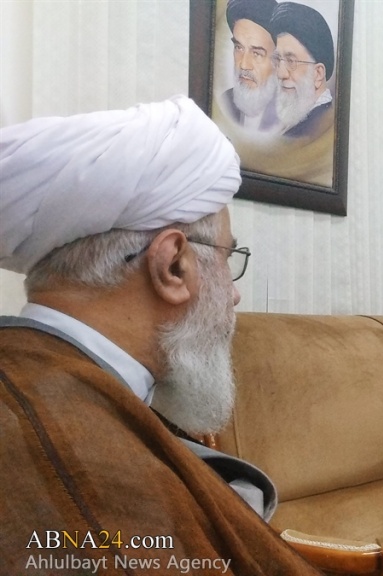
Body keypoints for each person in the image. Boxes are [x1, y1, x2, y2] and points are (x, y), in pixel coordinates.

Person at [0, 97, 318, 574]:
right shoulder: (80, 456)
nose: (234, 295)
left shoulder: (50, 383)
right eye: (227, 259)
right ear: (172, 266)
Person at [269, 2, 335, 139]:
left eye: (291, 61)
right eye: (278, 59)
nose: (281, 73)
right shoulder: (298, 123)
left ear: (318, 74)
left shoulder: (314, 133)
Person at [220, 0, 281, 131]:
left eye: (257, 53)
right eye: (239, 48)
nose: (243, 64)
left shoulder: (291, 116)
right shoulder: (226, 101)